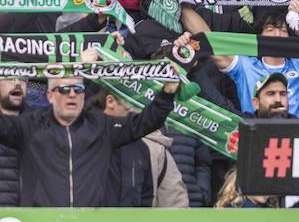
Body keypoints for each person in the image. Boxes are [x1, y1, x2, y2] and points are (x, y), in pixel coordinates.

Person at [0, 71, 182, 207]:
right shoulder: (30, 126)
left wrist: (168, 92)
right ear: (50, 95)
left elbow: (145, 122)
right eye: (64, 89)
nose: (72, 94)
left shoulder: (101, 126)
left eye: (78, 89)